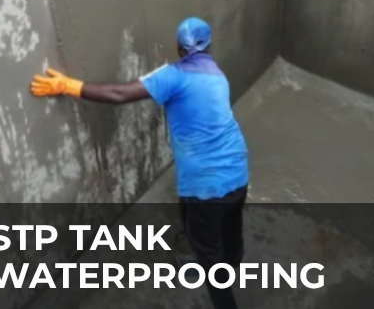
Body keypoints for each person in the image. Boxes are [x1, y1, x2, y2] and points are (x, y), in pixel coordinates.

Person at [31, 17, 249, 309]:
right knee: (229, 229)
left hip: (205, 186)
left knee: (210, 258)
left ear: (179, 48)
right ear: (209, 45)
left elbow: (119, 94)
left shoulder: (174, 75)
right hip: (238, 172)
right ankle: (230, 265)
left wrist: (69, 85)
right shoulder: (217, 75)